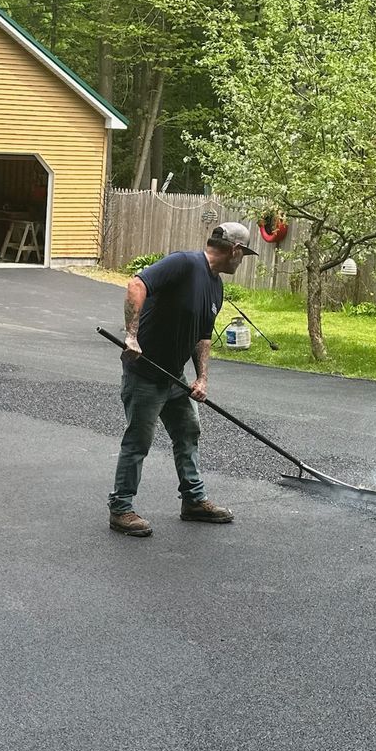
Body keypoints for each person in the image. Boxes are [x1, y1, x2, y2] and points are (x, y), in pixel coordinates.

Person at [108, 222, 255, 536]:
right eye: (243, 255)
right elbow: (137, 284)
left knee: (188, 432)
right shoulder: (184, 263)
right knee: (138, 443)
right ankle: (121, 508)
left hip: (174, 376)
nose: (241, 262)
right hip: (146, 373)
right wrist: (131, 336)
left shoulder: (215, 285)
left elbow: (203, 337)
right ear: (235, 250)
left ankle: (193, 500)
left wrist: (201, 378)